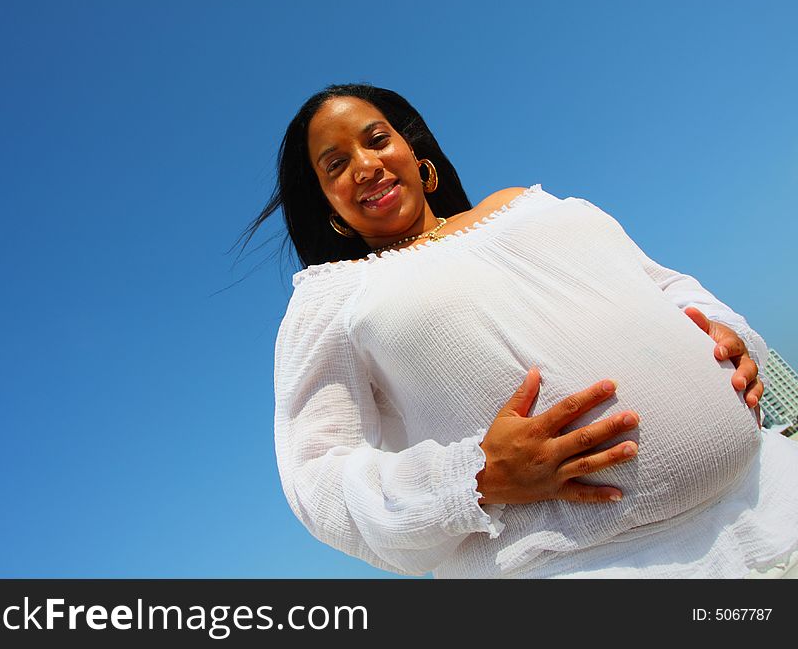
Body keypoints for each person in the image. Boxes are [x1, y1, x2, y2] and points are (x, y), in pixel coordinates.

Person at [251, 83, 798, 578]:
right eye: (336, 165)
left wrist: (729, 333)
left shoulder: (531, 205)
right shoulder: (332, 298)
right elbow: (316, 476)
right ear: (331, 209)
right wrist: (469, 479)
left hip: (774, 497)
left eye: (376, 140)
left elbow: (669, 285)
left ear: (417, 156)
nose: (366, 165)